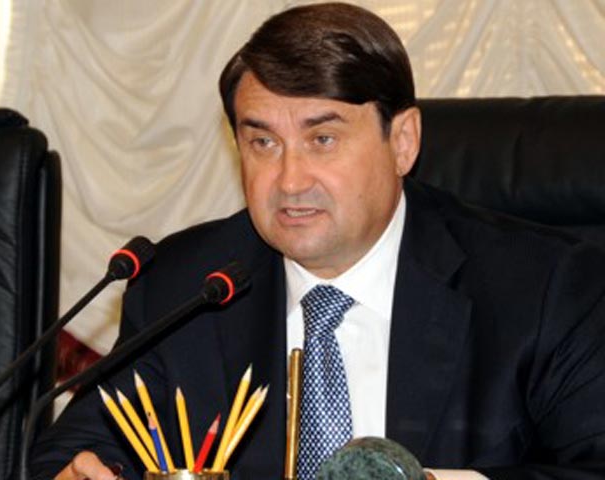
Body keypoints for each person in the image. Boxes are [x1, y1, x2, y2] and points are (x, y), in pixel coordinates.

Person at [30, 3, 605, 480]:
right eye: (263, 143)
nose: (289, 180)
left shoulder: (545, 287)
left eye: (322, 139)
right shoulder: (185, 287)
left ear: (403, 141)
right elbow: (73, 452)